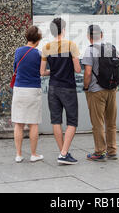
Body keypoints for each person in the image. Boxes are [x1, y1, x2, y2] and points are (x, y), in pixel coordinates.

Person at [40, 18, 81, 165]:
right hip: (68, 87)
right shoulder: (71, 45)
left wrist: (55, 71)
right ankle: (64, 153)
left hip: (53, 88)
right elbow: (77, 69)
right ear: (63, 30)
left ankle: (63, 152)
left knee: (56, 120)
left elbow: (42, 72)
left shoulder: (46, 47)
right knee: (72, 121)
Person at [82, 25, 118, 161]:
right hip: (112, 89)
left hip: (96, 91)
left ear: (88, 36)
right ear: (101, 34)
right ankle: (112, 150)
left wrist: (86, 87)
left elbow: (87, 72)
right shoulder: (111, 48)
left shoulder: (90, 50)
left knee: (97, 122)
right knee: (111, 122)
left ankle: (99, 152)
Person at [12, 26, 44, 163]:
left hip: (19, 88)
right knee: (33, 123)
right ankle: (33, 154)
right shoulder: (39, 54)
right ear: (38, 39)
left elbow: (15, 69)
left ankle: (18, 154)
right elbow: (41, 72)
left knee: (19, 123)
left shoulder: (18, 51)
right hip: (33, 90)